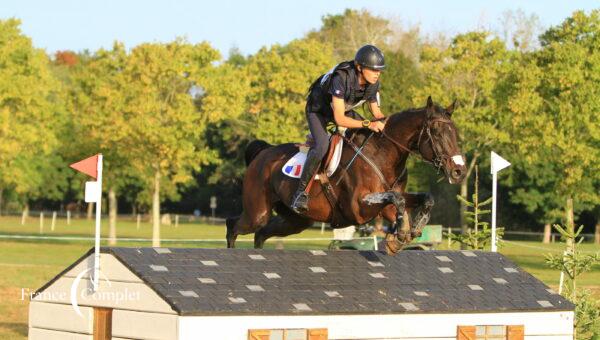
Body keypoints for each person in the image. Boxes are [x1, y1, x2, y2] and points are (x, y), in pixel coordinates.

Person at [290, 44, 387, 214]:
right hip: (319, 111)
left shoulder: (373, 83)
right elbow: (340, 119)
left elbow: (377, 113)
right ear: (359, 68)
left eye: (379, 70)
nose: (377, 73)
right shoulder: (341, 78)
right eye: (373, 70)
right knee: (322, 146)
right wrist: (368, 124)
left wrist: (387, 127)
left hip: (342, 109)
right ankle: (300, 193)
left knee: (367, 136)